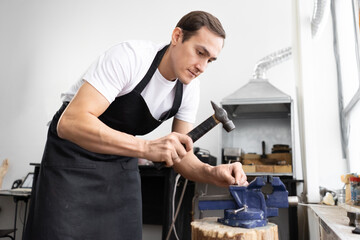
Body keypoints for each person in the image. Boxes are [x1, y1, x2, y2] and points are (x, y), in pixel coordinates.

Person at [24, 10, 247, 240]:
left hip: (120, 165)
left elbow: (182, 155)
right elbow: (70, 123)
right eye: (200, 52)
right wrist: (146, 148)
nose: (202, 66)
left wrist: (211, 173)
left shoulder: (189, 89)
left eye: (209, 60)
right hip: (72, 161)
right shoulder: (130, 57)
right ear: (177, 36)